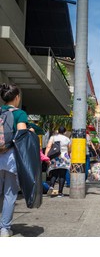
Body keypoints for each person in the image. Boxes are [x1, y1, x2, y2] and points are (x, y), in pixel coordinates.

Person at [0, 83, 28, 237]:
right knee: (9, 194)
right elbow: (22, 136)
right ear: (17, 97)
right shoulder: (19, 114)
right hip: (10, 158)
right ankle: (4, 228)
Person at [44, 126, 71, 197]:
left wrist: (46, 156)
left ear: (58, 131)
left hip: (55, 157)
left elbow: (48, 147)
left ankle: (51, 186)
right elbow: (69, 150)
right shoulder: (67, 139)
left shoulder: (53, 137)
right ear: (64, 132)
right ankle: (60, 193)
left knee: (54, 173)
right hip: (64, 158)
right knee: (62, 175)